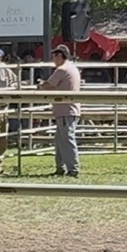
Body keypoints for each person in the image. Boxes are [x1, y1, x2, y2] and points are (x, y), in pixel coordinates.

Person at [44, 44, 80, 177]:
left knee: (66, 140)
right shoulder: (73, 68)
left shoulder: (61, 70)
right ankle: (61, 167)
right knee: (60, 140)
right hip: (68, 109)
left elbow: (48, 85)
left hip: (65, 110)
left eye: (54, 56)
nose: (53, 59)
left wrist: (39, 85)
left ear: (59, 56)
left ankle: (73, 169)